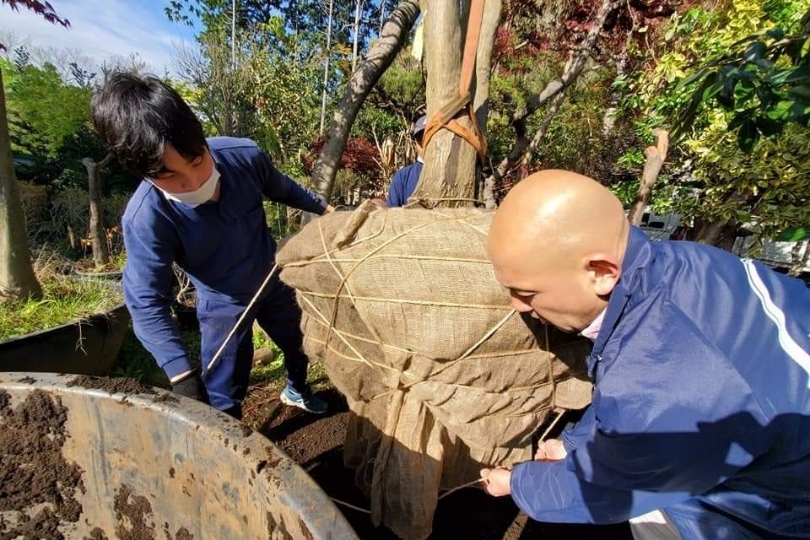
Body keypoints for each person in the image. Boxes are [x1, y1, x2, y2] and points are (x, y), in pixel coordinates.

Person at [480, 170, 810, 539]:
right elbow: (627, 400)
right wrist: (573, 444)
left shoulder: (669, 380)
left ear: (602, 272)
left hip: (762, 518)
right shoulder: (676, 266)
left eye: (526, 292)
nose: (517, 306)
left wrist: (517, 483)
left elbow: (602, 490)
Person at [91, 73, 332, 419]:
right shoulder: (146, 218)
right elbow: (145, 301)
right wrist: (181, 374)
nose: (194, 181)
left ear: (202, 139)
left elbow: (282, 187)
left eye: (196, 161)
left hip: (270, 278)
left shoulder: (242, 156)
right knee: (223, 387)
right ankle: (229, 435)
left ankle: (296, 389)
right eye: (169, 175)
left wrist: (324, 209)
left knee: (300, 341)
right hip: (222, 300)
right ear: (142, 172)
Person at [386, 114, 426, 207]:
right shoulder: (402, 177)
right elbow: (391, 215)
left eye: (429, 137)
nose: (425, 142)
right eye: (420, 138)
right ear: (415, 142)